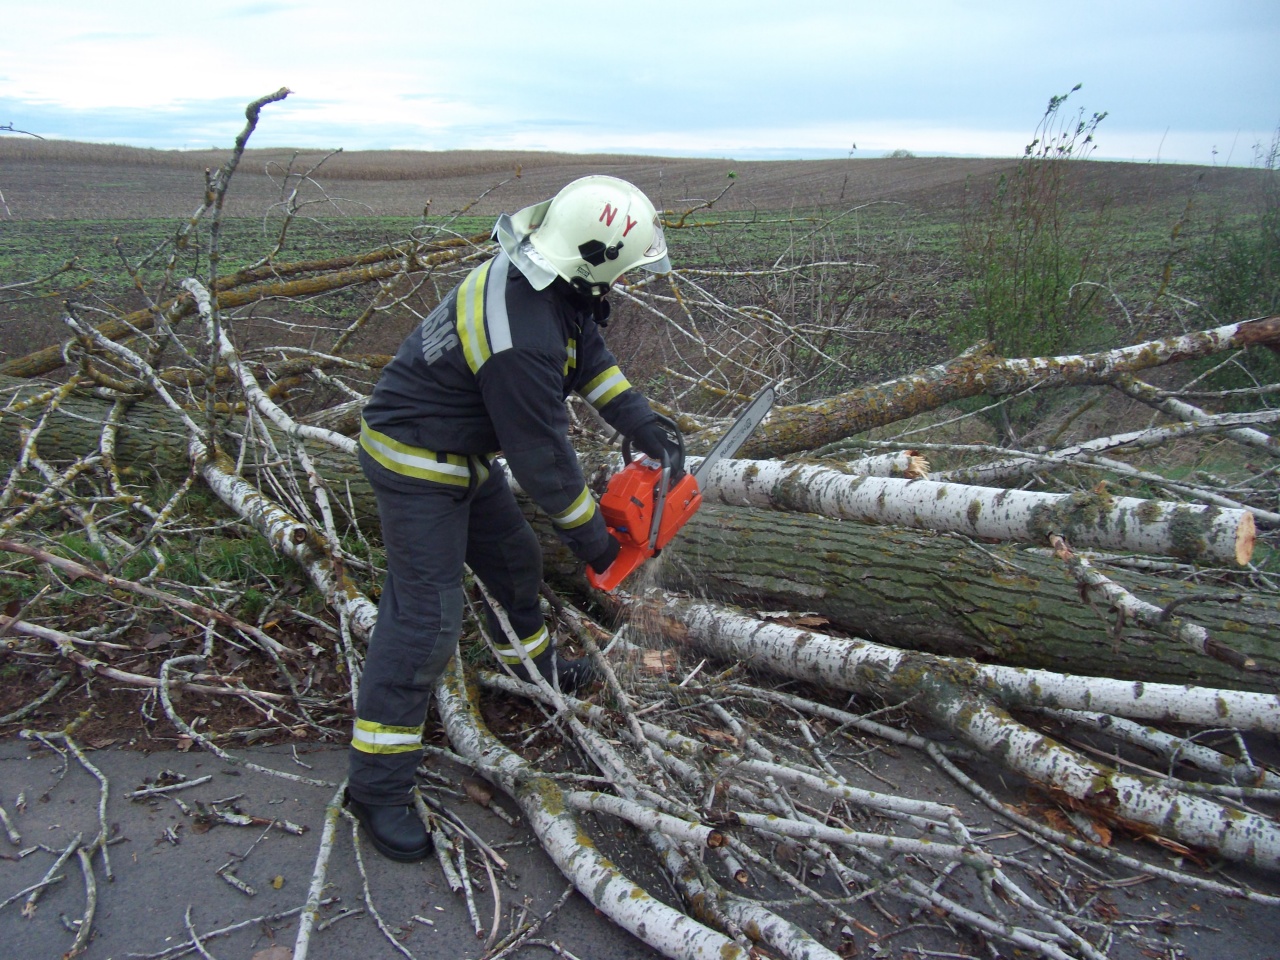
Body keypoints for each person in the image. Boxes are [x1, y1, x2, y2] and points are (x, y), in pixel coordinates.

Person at [345, 175, 685, 862]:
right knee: (424, 621)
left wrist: (641, 420)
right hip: (416, 464)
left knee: (513, 560)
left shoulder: (547, 278)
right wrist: (598, 541)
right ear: (597, 261)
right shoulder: (521, 341)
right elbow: (544, 462)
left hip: (462, 457)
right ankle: (376, 786)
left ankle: (535, 670)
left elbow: (586, 354)